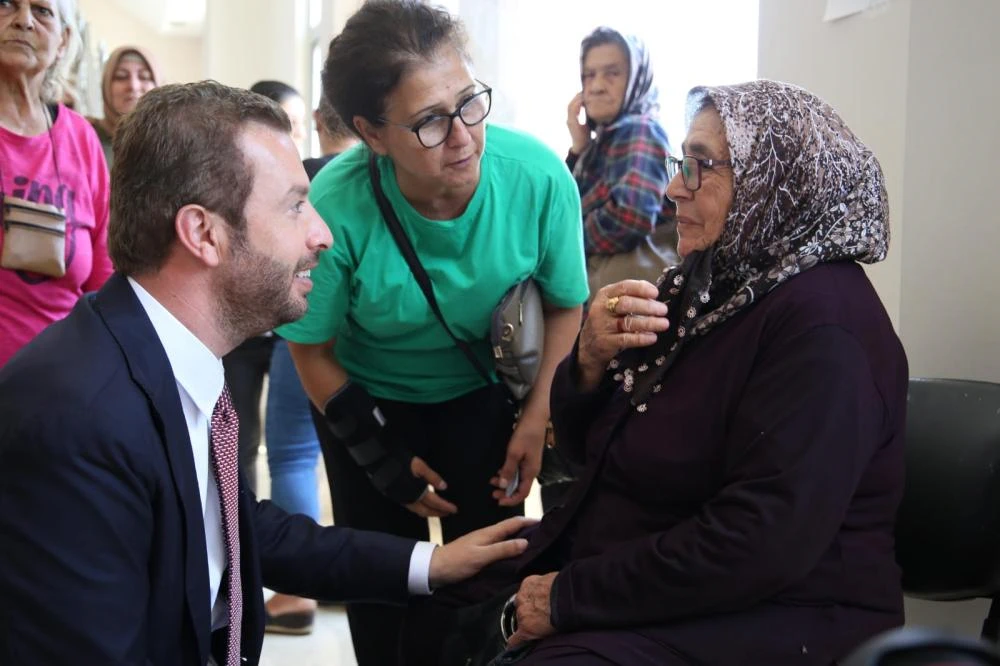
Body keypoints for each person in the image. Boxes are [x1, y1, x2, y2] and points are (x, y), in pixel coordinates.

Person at [0, 80, 532, 666]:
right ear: (204, 233)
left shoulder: (163, 354)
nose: (322, 234)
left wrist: (430, 565)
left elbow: (236, 529)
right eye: (295, 205)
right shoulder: (76, 420)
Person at [403, 80, 909, 665]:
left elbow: (757, 543)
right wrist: (588, 361)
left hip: (781, 614)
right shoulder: (708, 287)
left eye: (701, 167)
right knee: (436, 610)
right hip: (652, 573)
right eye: (680, 163)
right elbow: (578, 448)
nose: (672, 190)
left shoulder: (824, 330)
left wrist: (568, 597)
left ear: (778, 185)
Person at [278, 1, 588, 664]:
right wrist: (376, 451)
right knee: (384, 588)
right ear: (372, 133)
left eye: (469, 101)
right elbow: (310, 347)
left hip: (482, 400)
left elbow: (568, 305)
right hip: (368, 400)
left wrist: (537, 418)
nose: (464, 136)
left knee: (485, 578)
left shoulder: (536, 177)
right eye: (428, 121)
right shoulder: (336, 203)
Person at [262, 90, 359, 636]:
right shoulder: (380, 179)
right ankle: (357, 577)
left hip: (303, 335)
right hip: (369, 346)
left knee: (294, 457)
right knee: (361, 465)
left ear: (319, 122)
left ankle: (296, 592)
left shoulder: (303, 181)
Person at [0, 0, 112, 368]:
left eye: (42, 11)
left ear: (63, 40)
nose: (23, 21)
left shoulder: (81, 137)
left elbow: (103, 272)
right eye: (6, 5)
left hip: (62, 379)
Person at [222, 79, 309, 493]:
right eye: (280, 124)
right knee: (241, 441)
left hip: (289, 331)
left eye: (294, 124)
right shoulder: (237, 186)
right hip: (243, 331)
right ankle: (242, 525)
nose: (289, 137)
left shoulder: (311, 185)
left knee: (289, 449)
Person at [566, 27, 678, 300]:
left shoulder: (639, 130)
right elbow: (565, 201)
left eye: (612, 73)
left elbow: (630, 218)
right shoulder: (606, 139)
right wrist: (579, 148)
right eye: (588, 75)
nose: (597, 85)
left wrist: (562, 241)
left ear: (636, 79)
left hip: (628, 299)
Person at [88, 45, 161, 167]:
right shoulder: (84, 137)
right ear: (106, 86)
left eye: (144, 77)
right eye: (121, 77)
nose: (133, 86)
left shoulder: (171, 142)